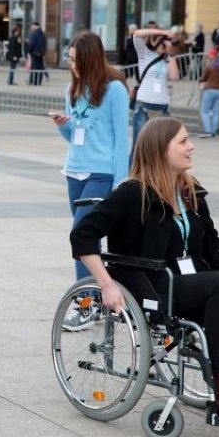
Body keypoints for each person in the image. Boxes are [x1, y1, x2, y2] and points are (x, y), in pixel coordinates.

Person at [70, 117, 219, 427]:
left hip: (195, 281)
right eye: (183, 141)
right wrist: (106, 284)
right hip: (155, 284)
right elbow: (82, 235)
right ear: (161, 149)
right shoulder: (134, 193)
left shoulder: (190, 192)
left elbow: (212, 244)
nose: (191, 146)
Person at [49, 31, 129, 329]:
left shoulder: (115, 90)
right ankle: (97, 297)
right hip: (75, 170)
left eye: (77, 60)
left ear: (92, 59)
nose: (73, 66)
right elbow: (75, 136)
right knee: (88, 237)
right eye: (70, 60)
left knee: (81, 233)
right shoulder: (73, 88)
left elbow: (122, 139)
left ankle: (86, 304)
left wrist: (121, 182)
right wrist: (62, 126)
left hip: (102, 172)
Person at [130, 27, 179, 155]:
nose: (164, 45)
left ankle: (154, 175)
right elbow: (136, 34)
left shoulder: (167, 60)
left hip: (162, 106)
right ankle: (133, 174)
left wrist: (172, 54)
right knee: (139, 145)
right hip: (144, 105)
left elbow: (174, 77)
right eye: (163, 42)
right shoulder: (145, 54)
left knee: (160, 148)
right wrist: (164, 33)